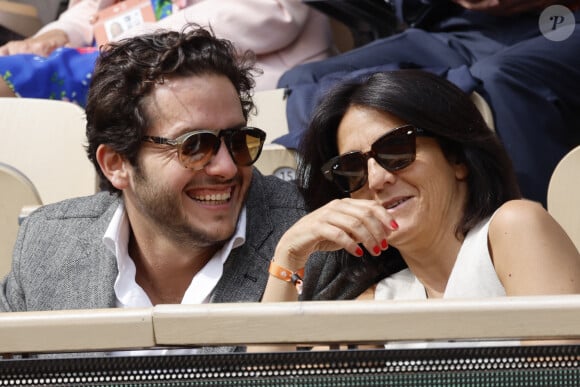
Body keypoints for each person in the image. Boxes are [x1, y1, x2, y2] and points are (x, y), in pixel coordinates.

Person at [0, 26, 347, 354]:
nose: (227, 167)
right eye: (194, 146)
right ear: (116, 164)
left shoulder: (317, 246)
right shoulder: (46, 245)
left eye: (237, 141)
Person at [262, 70, 580, 323]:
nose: (376, 179)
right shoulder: (377, 302)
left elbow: (554, 368)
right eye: (352, 168)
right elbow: (272, 379)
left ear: (456, 158)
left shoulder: (514, 228)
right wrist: (288, 255)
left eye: (396, 149)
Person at [274, 0, 580, 208]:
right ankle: (362, 254)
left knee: (499, 80)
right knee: (303, 82)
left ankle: (537, 244)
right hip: (458, 27)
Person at [0, 0, 334, 106]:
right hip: (118, 63)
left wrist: (134, 45)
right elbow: (91, 9)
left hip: (244, 74)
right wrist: (56, 36)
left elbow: (273, 13)